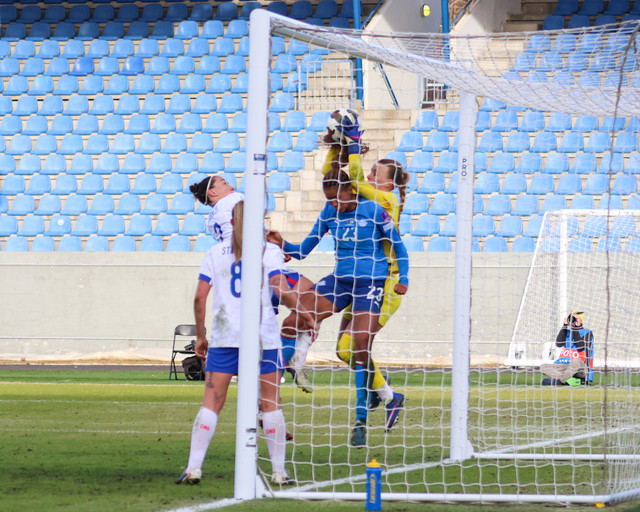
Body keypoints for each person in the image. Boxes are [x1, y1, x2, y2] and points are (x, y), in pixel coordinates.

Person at [267, 168, 410, 447]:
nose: (334, 204)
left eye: (337, 198)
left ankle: (360, 421)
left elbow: (399, 248)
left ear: (349, 190)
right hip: (340, 281)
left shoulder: (374, 210)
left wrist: (403, 279)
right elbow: (303, 251)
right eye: (329, 199)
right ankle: (277, 386)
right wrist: (281, 242)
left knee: (359, 345)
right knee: (292, 321)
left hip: (370, 283)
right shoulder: (329, 213)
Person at [176, 201, 312, 486]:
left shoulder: (215, 253)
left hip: (226, 337)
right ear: (259, 222)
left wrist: (200, 336)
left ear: (232, 222)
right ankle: (279, 472)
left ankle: (193, 468)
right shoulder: (270, 251)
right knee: (271, 403)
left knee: (212, 402)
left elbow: (200, 297)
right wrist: (302, 312)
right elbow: (281, 289)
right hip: (263, 337)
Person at [190, 176, 315, 392]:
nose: (230, 184)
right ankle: (290, 358)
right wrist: (272, 251)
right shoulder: (234, 200)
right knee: (313, 296)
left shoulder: (212, 219)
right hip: (259, 267)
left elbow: (237, 237)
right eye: (223, 182)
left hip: (238, 274)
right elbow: (250, 229)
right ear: (212, 192)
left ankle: (267, 370)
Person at [541, 310, 594, 386]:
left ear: (581, 320)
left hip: (580, 367)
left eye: (575, 319)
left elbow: (580, 347)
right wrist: (565, 326)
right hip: (564, 366)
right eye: (572, 318)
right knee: (543, 367)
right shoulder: (567, 332)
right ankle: (566, 380)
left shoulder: (587, 332)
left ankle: (560, 381)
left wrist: (576, 328)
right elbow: (558, 344)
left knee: (575, 361)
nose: (573, 320)